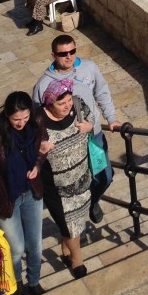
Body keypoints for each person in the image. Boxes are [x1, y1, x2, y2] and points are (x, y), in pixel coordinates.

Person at [33, 34, 122, 225]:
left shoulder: (89, 67)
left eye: (72, 51)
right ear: (53, 55)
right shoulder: (43, 85)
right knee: (77, 184)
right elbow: (37, 119)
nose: (69, 56)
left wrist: (111, 118)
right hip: (67, 147)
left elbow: (102, 92)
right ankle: (82, 209)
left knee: (105, 177)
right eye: (63, 53)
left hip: (93, 137)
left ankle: (92, 201)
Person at [0, 92, 48, 295]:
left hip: (31, 192)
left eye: (25, 117)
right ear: (7, 114)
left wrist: (38, 165)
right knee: (16, 248)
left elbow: (43, 147)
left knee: (35, 244)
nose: (21, 123)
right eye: (16, 119)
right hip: (6, 198)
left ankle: (34, 281)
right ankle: (16, 283)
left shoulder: (35, 123)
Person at [36, 78, 93, 278]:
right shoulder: (38, 121)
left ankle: (66, 246)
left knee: (77, 219)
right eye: (61, 103)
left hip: (82, 177)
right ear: (49, 103)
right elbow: (23, 146)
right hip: (56, 187)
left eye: (68, 100)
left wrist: (89, 125)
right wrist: (39, 149)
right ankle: (77, 260)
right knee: (69, 224)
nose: (67, 105)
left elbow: (91, 119)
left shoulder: (78, 105)